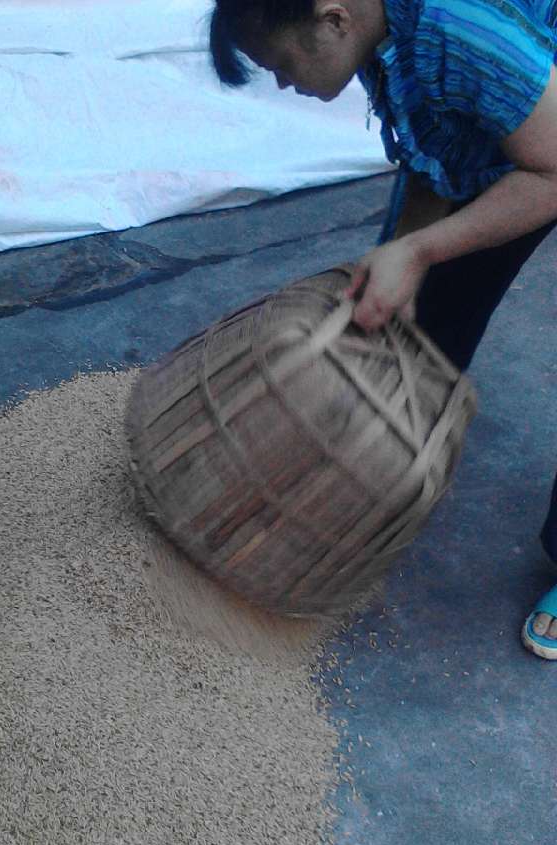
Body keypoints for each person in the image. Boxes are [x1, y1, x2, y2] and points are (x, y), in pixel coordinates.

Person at [209, 0, 557, 657]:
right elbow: (435, 150)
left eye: (281, 62)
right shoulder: (377, 37)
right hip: (530, 127)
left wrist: (419, 252)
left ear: (333, 19)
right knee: (407, 326)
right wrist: (402, 259)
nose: (282, 83)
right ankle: (356, 489)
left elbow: (554, 167)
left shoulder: (457, 26)